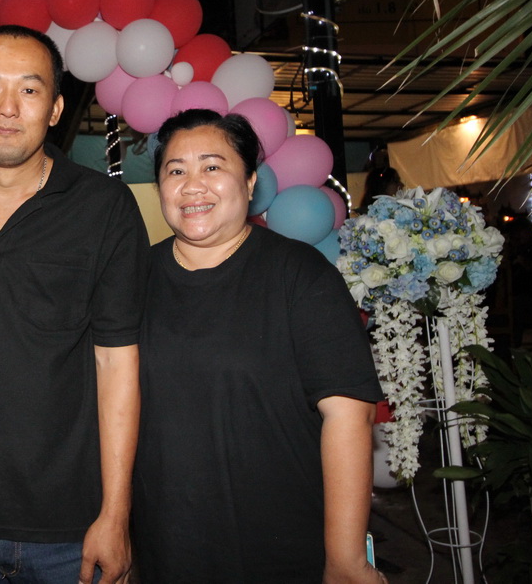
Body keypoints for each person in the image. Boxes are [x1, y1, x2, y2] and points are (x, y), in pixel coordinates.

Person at [0, 25, 149, 583]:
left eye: (30, 89)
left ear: (56, 108)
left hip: (70, 525)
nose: (8, 107)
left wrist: (116, 514)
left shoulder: (104, 207)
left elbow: (118, 364)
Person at [132, 109, 386, 583]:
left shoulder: (300, 274)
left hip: (282, 545)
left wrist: (345, 559)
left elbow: (349, 415)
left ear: (250, 181)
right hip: (166, 544)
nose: (193, 186)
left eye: (212, 166)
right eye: (176, 171)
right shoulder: (131, 280)